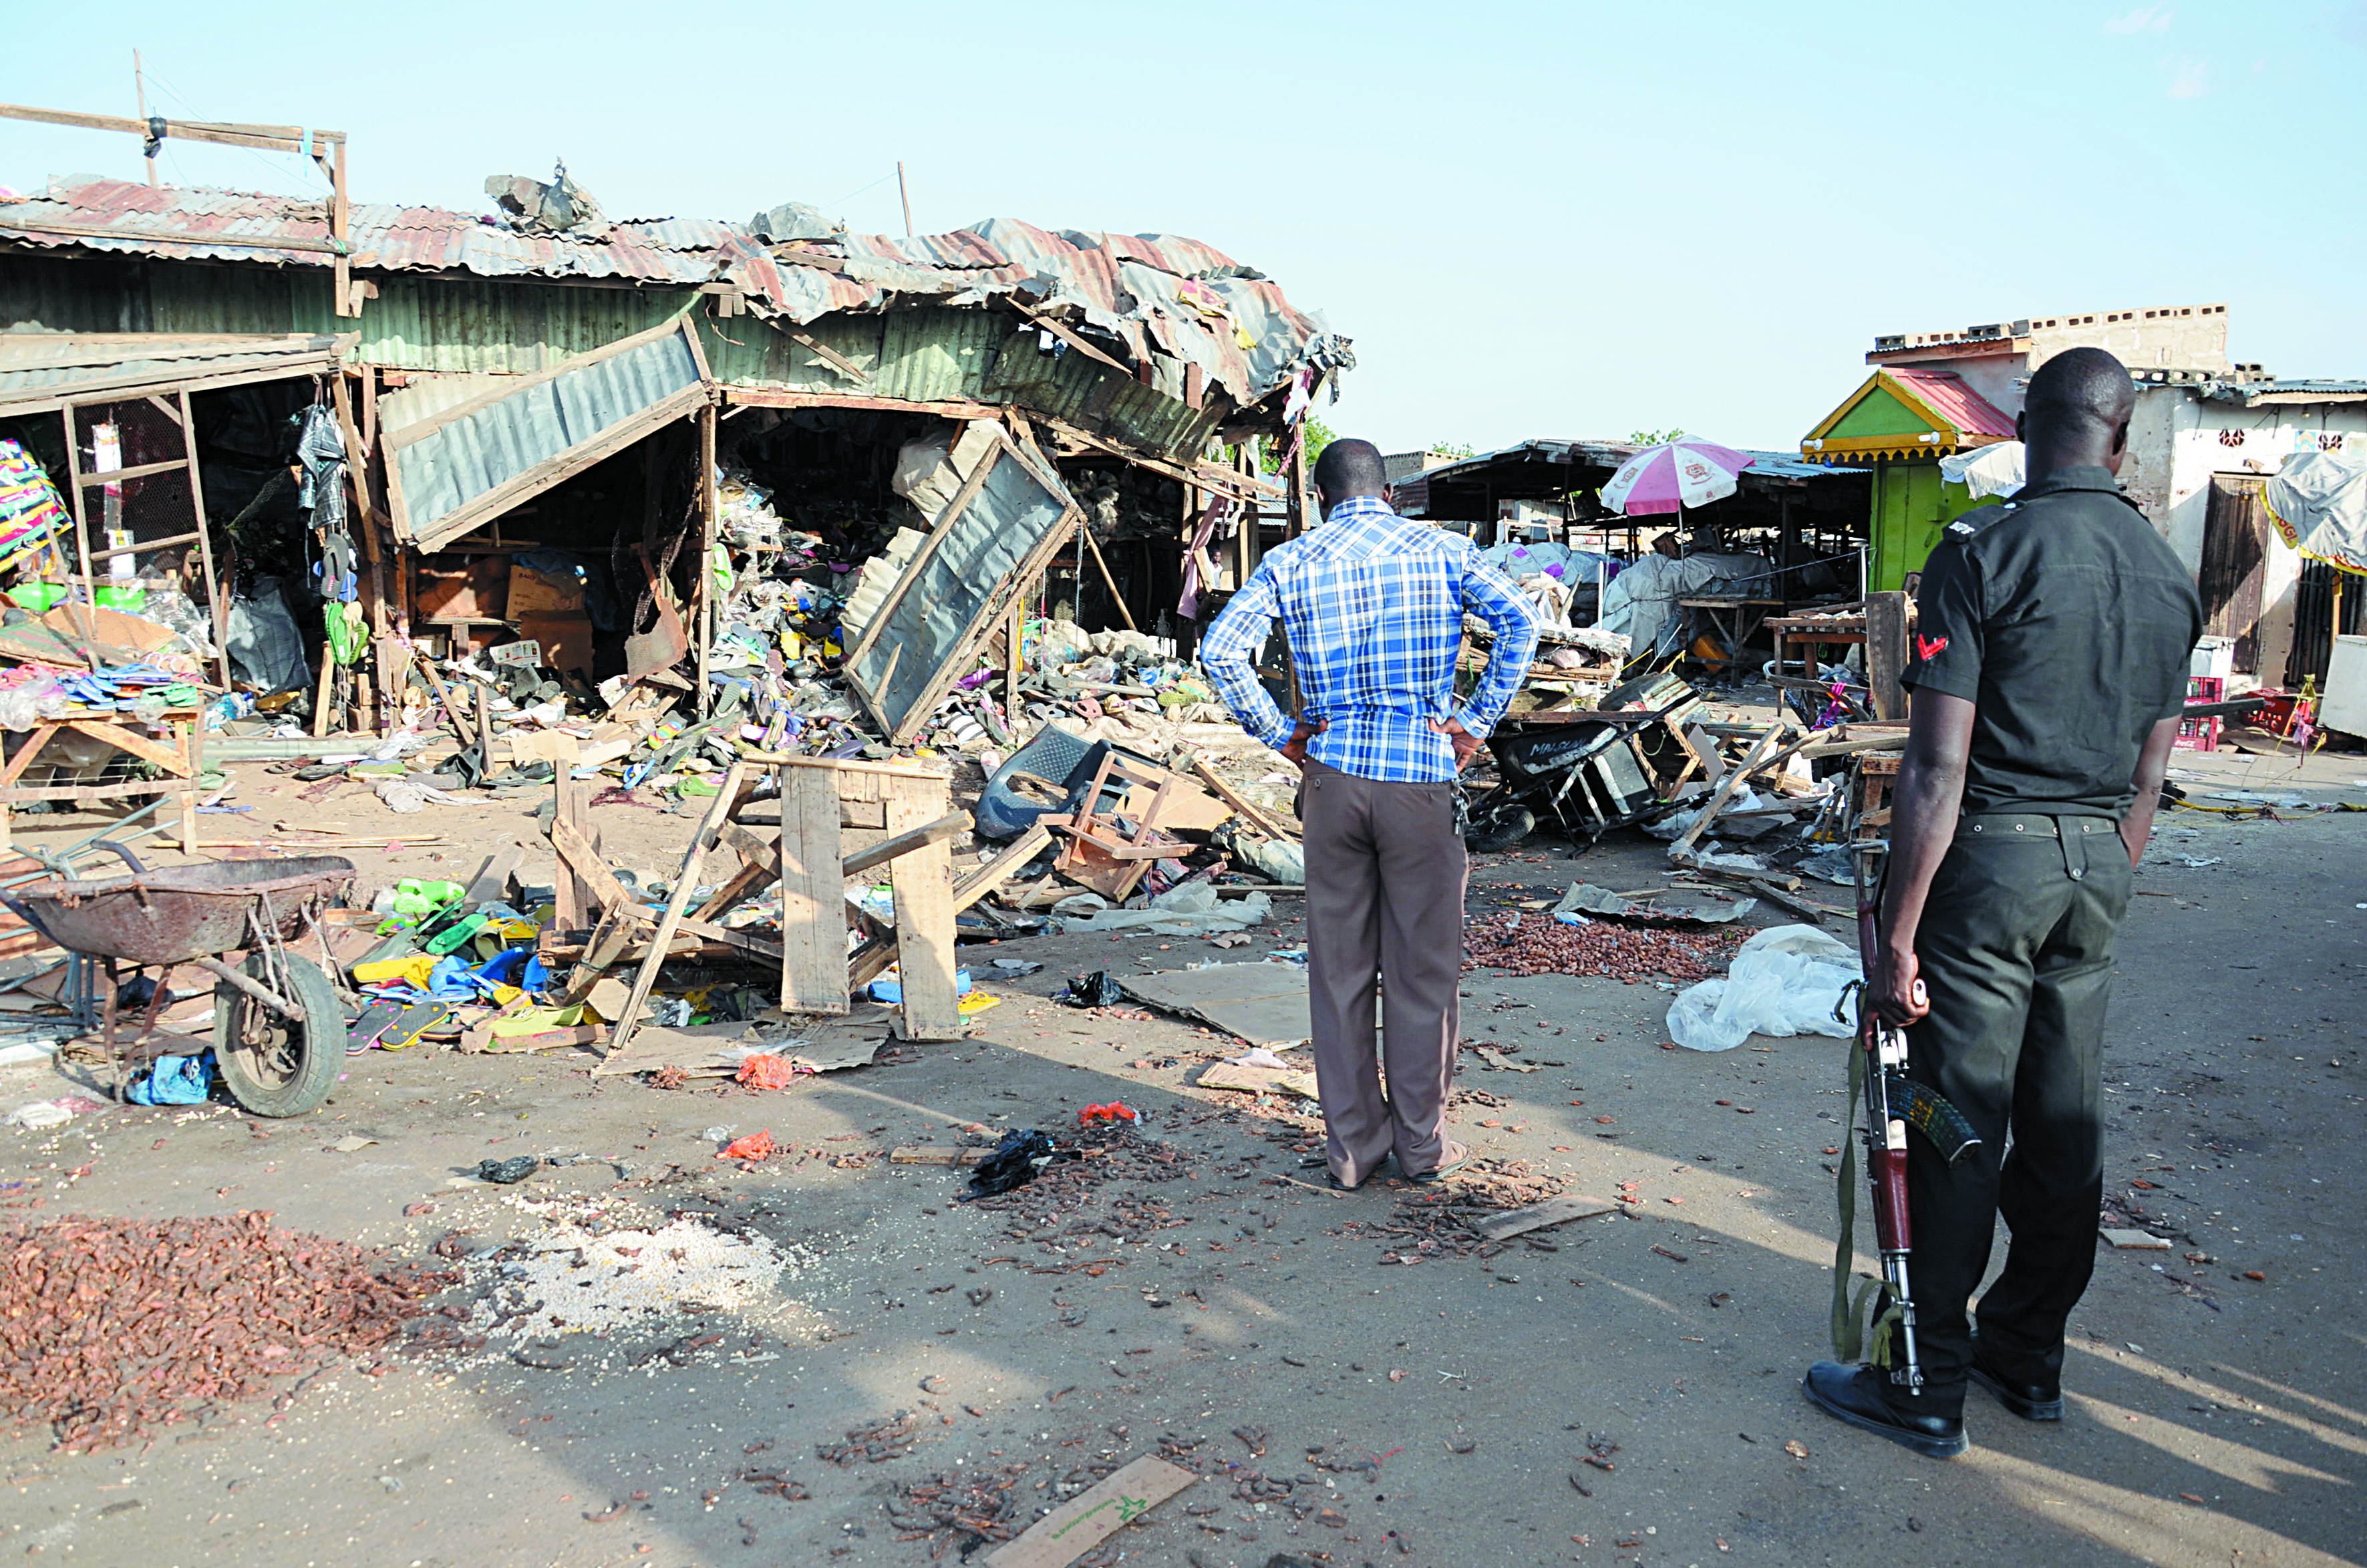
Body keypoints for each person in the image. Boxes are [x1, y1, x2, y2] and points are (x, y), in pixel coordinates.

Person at [1802, 347, 2202, 1458]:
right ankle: (2027, 1358)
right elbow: (2145, 775)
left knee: (1954, 1126)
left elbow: (1934, 767)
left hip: (1991, 867)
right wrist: (2102, 872)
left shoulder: (1981, 552)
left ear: (2026, 428)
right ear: (2118, 438)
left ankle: (1924, 1386)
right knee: (2062, 1123)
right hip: (2096, 872)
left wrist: (1895, 935)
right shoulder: (2167, 577)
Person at [1199, 438, 1541, 1189]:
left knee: (1341, 973)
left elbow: (1221, 651)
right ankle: (1422, 1146)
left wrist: (1280, 732)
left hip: (1332, 783)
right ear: (1389, 493)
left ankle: (1353, 1152)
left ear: (1323, 499)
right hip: (1420, 778)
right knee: (1423, 974)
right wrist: (1476, 721)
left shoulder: (1293, 560)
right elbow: (1522, 621)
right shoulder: (1441, 549)